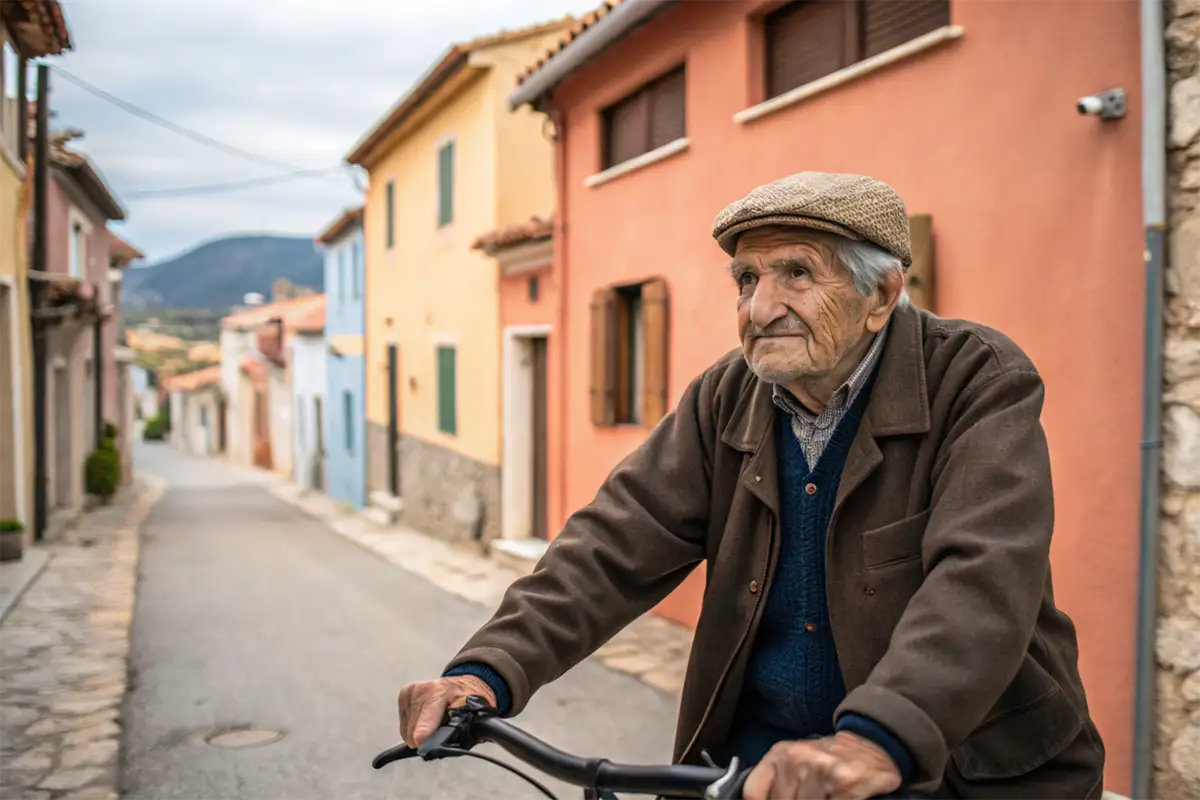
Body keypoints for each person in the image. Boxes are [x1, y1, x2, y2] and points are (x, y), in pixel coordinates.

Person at [397, 172, 1104, 800]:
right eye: (745, 279)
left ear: (881, 295)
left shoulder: (975, 378)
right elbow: (610, 545)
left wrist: (877, 738)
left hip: (952, 765)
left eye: (796, 274)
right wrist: (487, 671)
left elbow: (982, 577)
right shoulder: (725, 396)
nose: (760, 308)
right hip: (762, 765)